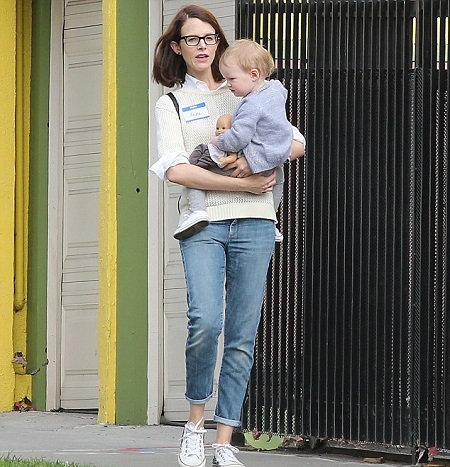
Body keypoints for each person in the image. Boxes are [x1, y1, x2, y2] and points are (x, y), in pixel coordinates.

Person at [150, 5, 305, 467]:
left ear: (219, 41)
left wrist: (253, 160)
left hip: (257, 223)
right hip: (203, 224)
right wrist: (246, 180)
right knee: (206, 323)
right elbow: (178, 170)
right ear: (177, 48)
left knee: (241, 334)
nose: (203, 45)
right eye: (192, 39)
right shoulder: (172, 102)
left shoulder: (249, 88)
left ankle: (223, 438)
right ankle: (193, 426)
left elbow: (295, 142)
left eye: (209, 37)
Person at [173, 39, 304, 242]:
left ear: (254, 74)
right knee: (278, 180)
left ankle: (196, 211)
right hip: (275, 158)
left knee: (197, 165)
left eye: (232, 79)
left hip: (253, 159)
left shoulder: (251, 104)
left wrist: (220, 141)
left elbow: (238, 138)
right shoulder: (276, 91)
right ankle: (274, 219)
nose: (229, 84)